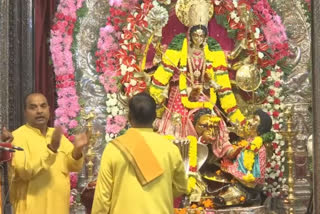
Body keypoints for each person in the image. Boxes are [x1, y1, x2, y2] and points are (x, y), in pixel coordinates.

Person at [149, 0, 246, 139]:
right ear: (190, 32)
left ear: (206, 35)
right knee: (178, 130)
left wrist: (236, 116)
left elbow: (224, 87)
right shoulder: (179, 44)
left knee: (212, 125)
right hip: (181, 96)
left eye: (202, 35)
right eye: (195, 35)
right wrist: (155, 104)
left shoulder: (212, 48)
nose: (198, 39)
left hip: (205, 95)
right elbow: (162, 76)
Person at [91, 92, 188, 214]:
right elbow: (181, 187)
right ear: (154, 117)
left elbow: (102, 197)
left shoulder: (114, 149)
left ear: (129, 117)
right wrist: (161, 192)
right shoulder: (170, 149)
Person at [9, 93, 88, 214]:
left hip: (59, 208)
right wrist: (51, 150)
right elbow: (24, 172)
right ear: (25, 112)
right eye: (33, 107)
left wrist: (78, 150)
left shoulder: (56, 135)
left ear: (49, 110)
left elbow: (74, 166)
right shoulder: (17, 137)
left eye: (43, 106)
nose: (39, 111)